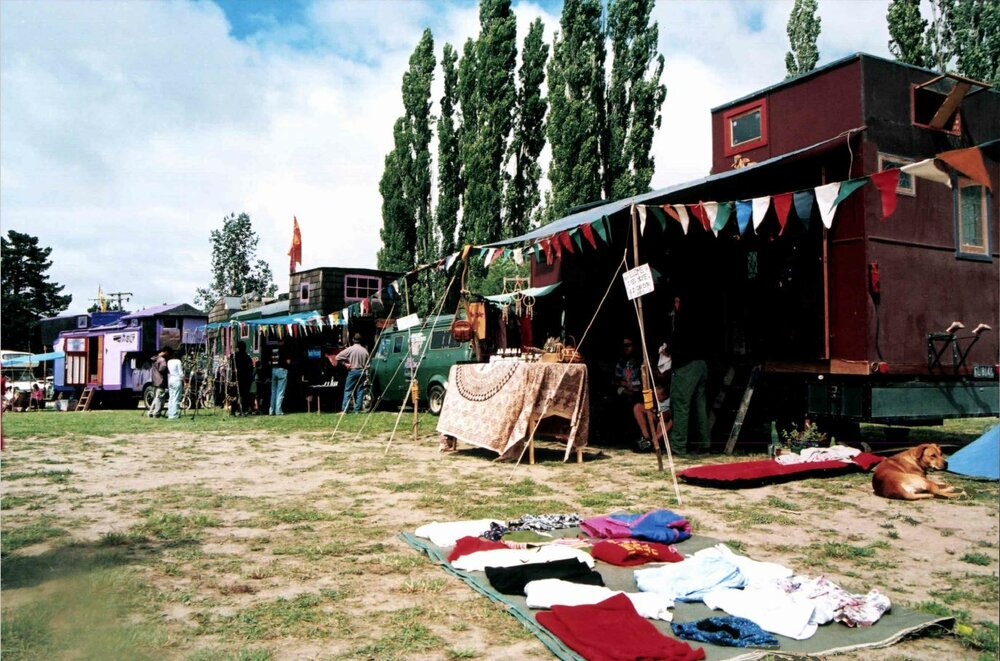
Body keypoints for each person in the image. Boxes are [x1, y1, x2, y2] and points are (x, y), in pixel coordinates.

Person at [668, 295, 710, 455]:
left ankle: (678, 446)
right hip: (701, 364)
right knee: (699, 406)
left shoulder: (682, 319)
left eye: (677, 301)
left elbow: (677, 341)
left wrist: (668, 349)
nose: (675, 304)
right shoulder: (699, 316)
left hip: (686, 366)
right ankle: (703, 443)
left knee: (680, 405)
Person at [614, 338, 656, 451]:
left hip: (639, 392)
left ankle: (645, 439)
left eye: (629, 345)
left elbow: (645, 381)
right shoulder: (621, 362)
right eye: (624, 346)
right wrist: (623, 385)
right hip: (625, 391)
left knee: (635, 401)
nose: (626, 348)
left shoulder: (642, 362)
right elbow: (617, 380)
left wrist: (632, 386)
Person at [336, 333, 369, 413]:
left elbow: (337, 357)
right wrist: (367, 376)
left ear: (353, 340)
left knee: (348, 390)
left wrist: (345, 364)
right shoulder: (365, 351)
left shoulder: (350, 349)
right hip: (362, 372)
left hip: (353, 371)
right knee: (360, 391)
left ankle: (345, 410)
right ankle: (357, 410)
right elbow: (368, 365)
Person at [229, 341, 254, 416]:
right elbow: (250, 369)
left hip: (236, 378)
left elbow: (231, 366)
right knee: (244, 395)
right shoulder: (247, 357)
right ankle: (243, 410)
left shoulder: (234, 357)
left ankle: (233, 410)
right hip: (244, 379)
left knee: (234, 395)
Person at [269, 344, 290, 415]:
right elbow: (288, 362)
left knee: (273, 391)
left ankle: (271, 410)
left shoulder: (273, 349)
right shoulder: (285, 349)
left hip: (273, 370)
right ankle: (278, 410)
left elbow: (269, 361)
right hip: (282, 370)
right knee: (280, 391)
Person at [147, 348, 168, 418]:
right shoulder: (162, 360)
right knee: (160, 398)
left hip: (155, 381)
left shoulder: (155, 359)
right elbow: (162, 369)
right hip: (160, 381)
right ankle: (156, 413)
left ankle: (150, 412)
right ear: (165, 352)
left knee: (156, 397)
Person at [165, 347, 185, 420]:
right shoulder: (178, 361)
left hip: (170, 379)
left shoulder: (169, 361)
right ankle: (174, 414)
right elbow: (180, 373)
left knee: (171, 397)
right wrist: (184, 379)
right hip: (177, 380)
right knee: (176, 398)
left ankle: (170, 412)